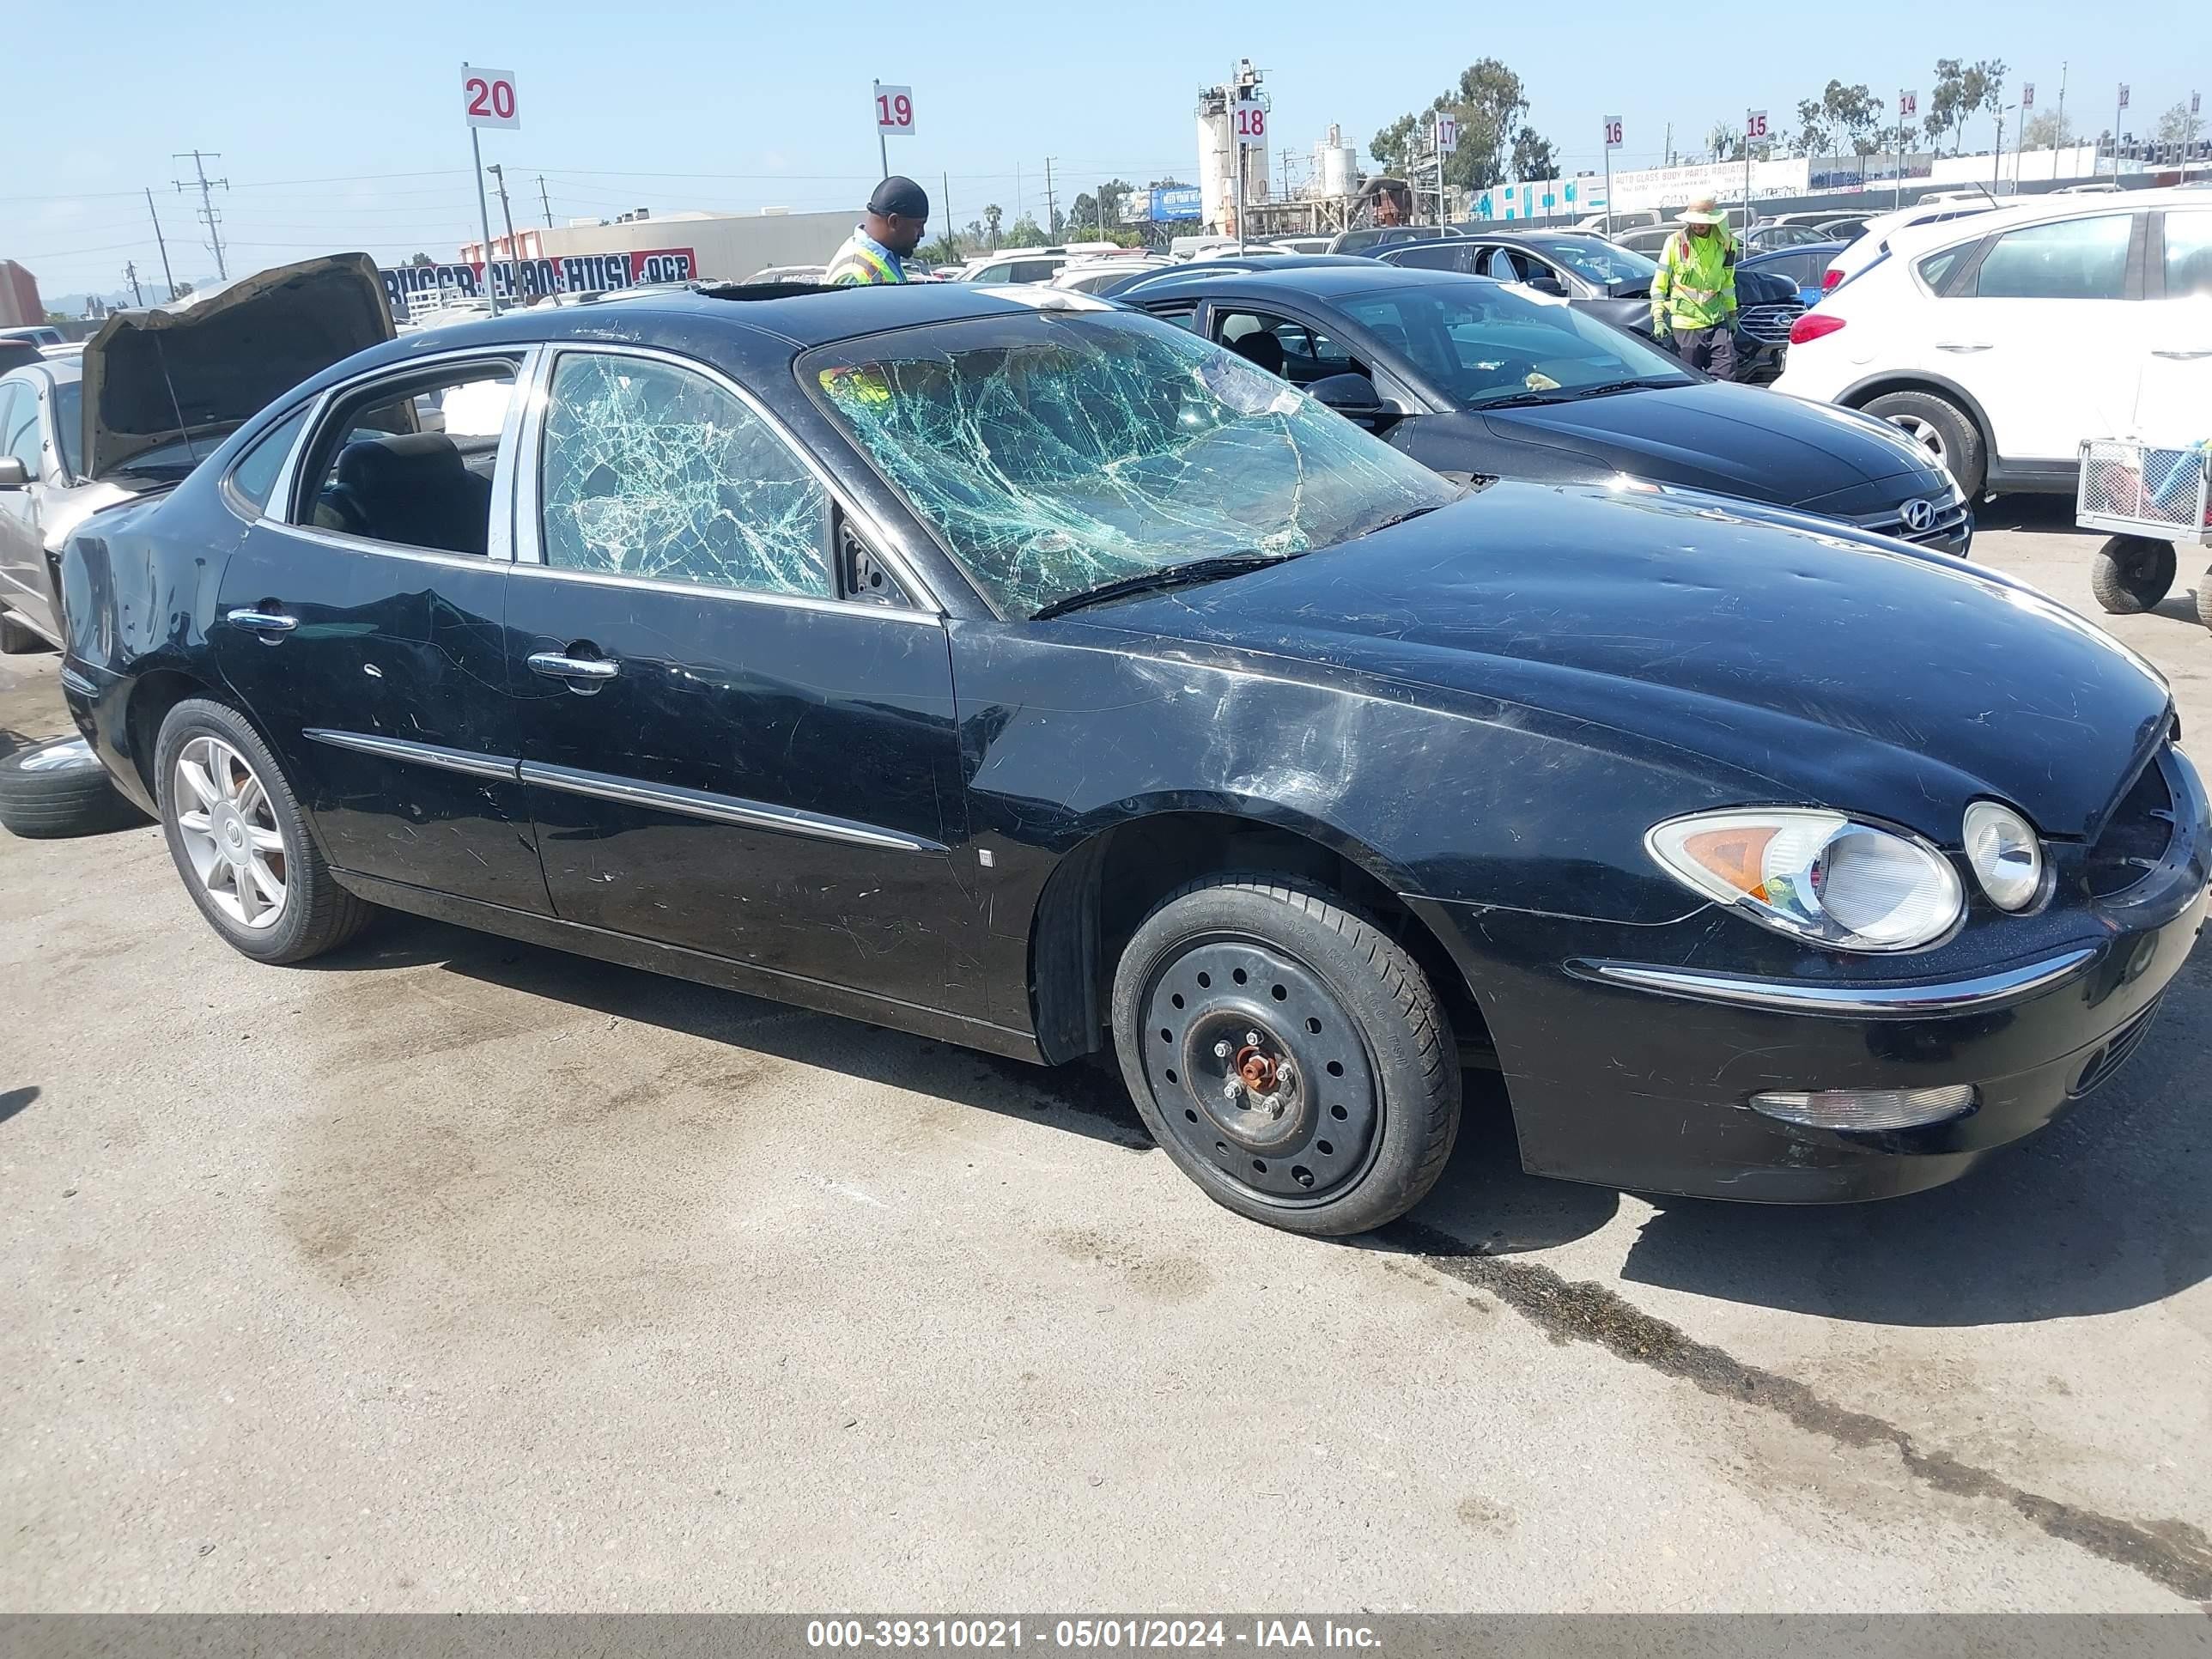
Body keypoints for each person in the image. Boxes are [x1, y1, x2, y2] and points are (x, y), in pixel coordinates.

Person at [1650, 196, 1739, 380]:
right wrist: (1658, 316)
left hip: (1715, 319)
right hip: (1686, 323)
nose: (1697, 226)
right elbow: (1660, 282)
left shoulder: (1727, 242)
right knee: (1689, 378)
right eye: (1694, 222)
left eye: (1702, 223)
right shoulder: (1675, 242)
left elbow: (1728, 282)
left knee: (1727, 369)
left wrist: (1732, 314)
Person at [824, 177, 930, 286]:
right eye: (918, 226)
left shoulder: (888, 260)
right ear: (894, 222)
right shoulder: (855, 275)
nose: (922, 233)